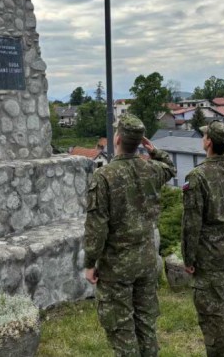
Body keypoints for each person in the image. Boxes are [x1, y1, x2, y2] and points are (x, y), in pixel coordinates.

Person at [83, 114, 176, 357]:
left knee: (121, 327)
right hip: (146, 261)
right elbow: (170, 168)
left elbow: (97, 226)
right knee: (146, 323)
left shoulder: (104, 176)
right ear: (139, 141)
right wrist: (154, 150)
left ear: (118, 138)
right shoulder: (151, 169)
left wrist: (90, 263)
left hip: (117, 265)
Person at [182, 120, 224, 357]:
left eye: (205, 136)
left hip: (210, 256)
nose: (203, 139)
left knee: (213, 315)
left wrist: (188, 258)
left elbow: (191, 224)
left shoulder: (197, 176)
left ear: (208, 141)